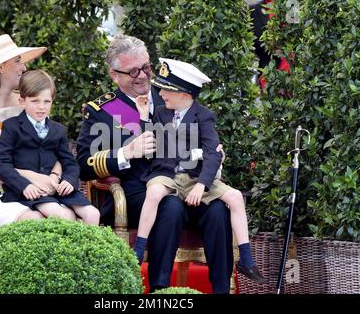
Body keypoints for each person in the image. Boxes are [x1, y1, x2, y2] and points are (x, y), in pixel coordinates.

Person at [76, 34, 234, 293]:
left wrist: (211, 155)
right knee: (168, 205)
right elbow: (84, 165)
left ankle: (221, 290)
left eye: (146, 68)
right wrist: (126, 152)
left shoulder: (173, 96)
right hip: (138, 191)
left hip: (185, 183)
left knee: (217, 208)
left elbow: (200, 139)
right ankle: (160, 291)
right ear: (114, 75)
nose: (142, 76)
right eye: (132, 71)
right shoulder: (102, 111)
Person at [135, 58, 265, 283]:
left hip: (194, 176)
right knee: (154, 193)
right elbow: (153, 142)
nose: (161, 94)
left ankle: (246, 258)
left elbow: (213, 153)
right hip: (168, 175)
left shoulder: (203, 116)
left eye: (166, 90)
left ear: (184, 94)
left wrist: (202, 184)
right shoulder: (161, 114)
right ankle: (138, 249)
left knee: (235, 197)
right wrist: (143, 115)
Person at [0, 34, 60, 228]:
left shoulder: (29, 104)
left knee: (68, 217)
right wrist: (32, 177)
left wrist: (53, 178)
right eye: (17, 61)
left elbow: (53, 149)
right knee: (35, 222)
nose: (24, 67)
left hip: (38, 192)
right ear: (0, 67)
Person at [0, 69, 100, 225]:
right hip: (31, 191)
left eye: (46, 101)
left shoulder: (58, 129)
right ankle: (69, 250)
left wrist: (69, 181)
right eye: (35, 101)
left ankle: (90, 250)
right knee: (63, 215)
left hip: (59, 188)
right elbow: (0, 163)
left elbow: (70, 163)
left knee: (93, 214)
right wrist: (24, 186)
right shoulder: (12, 126)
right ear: (22, 101)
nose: (41, 107)